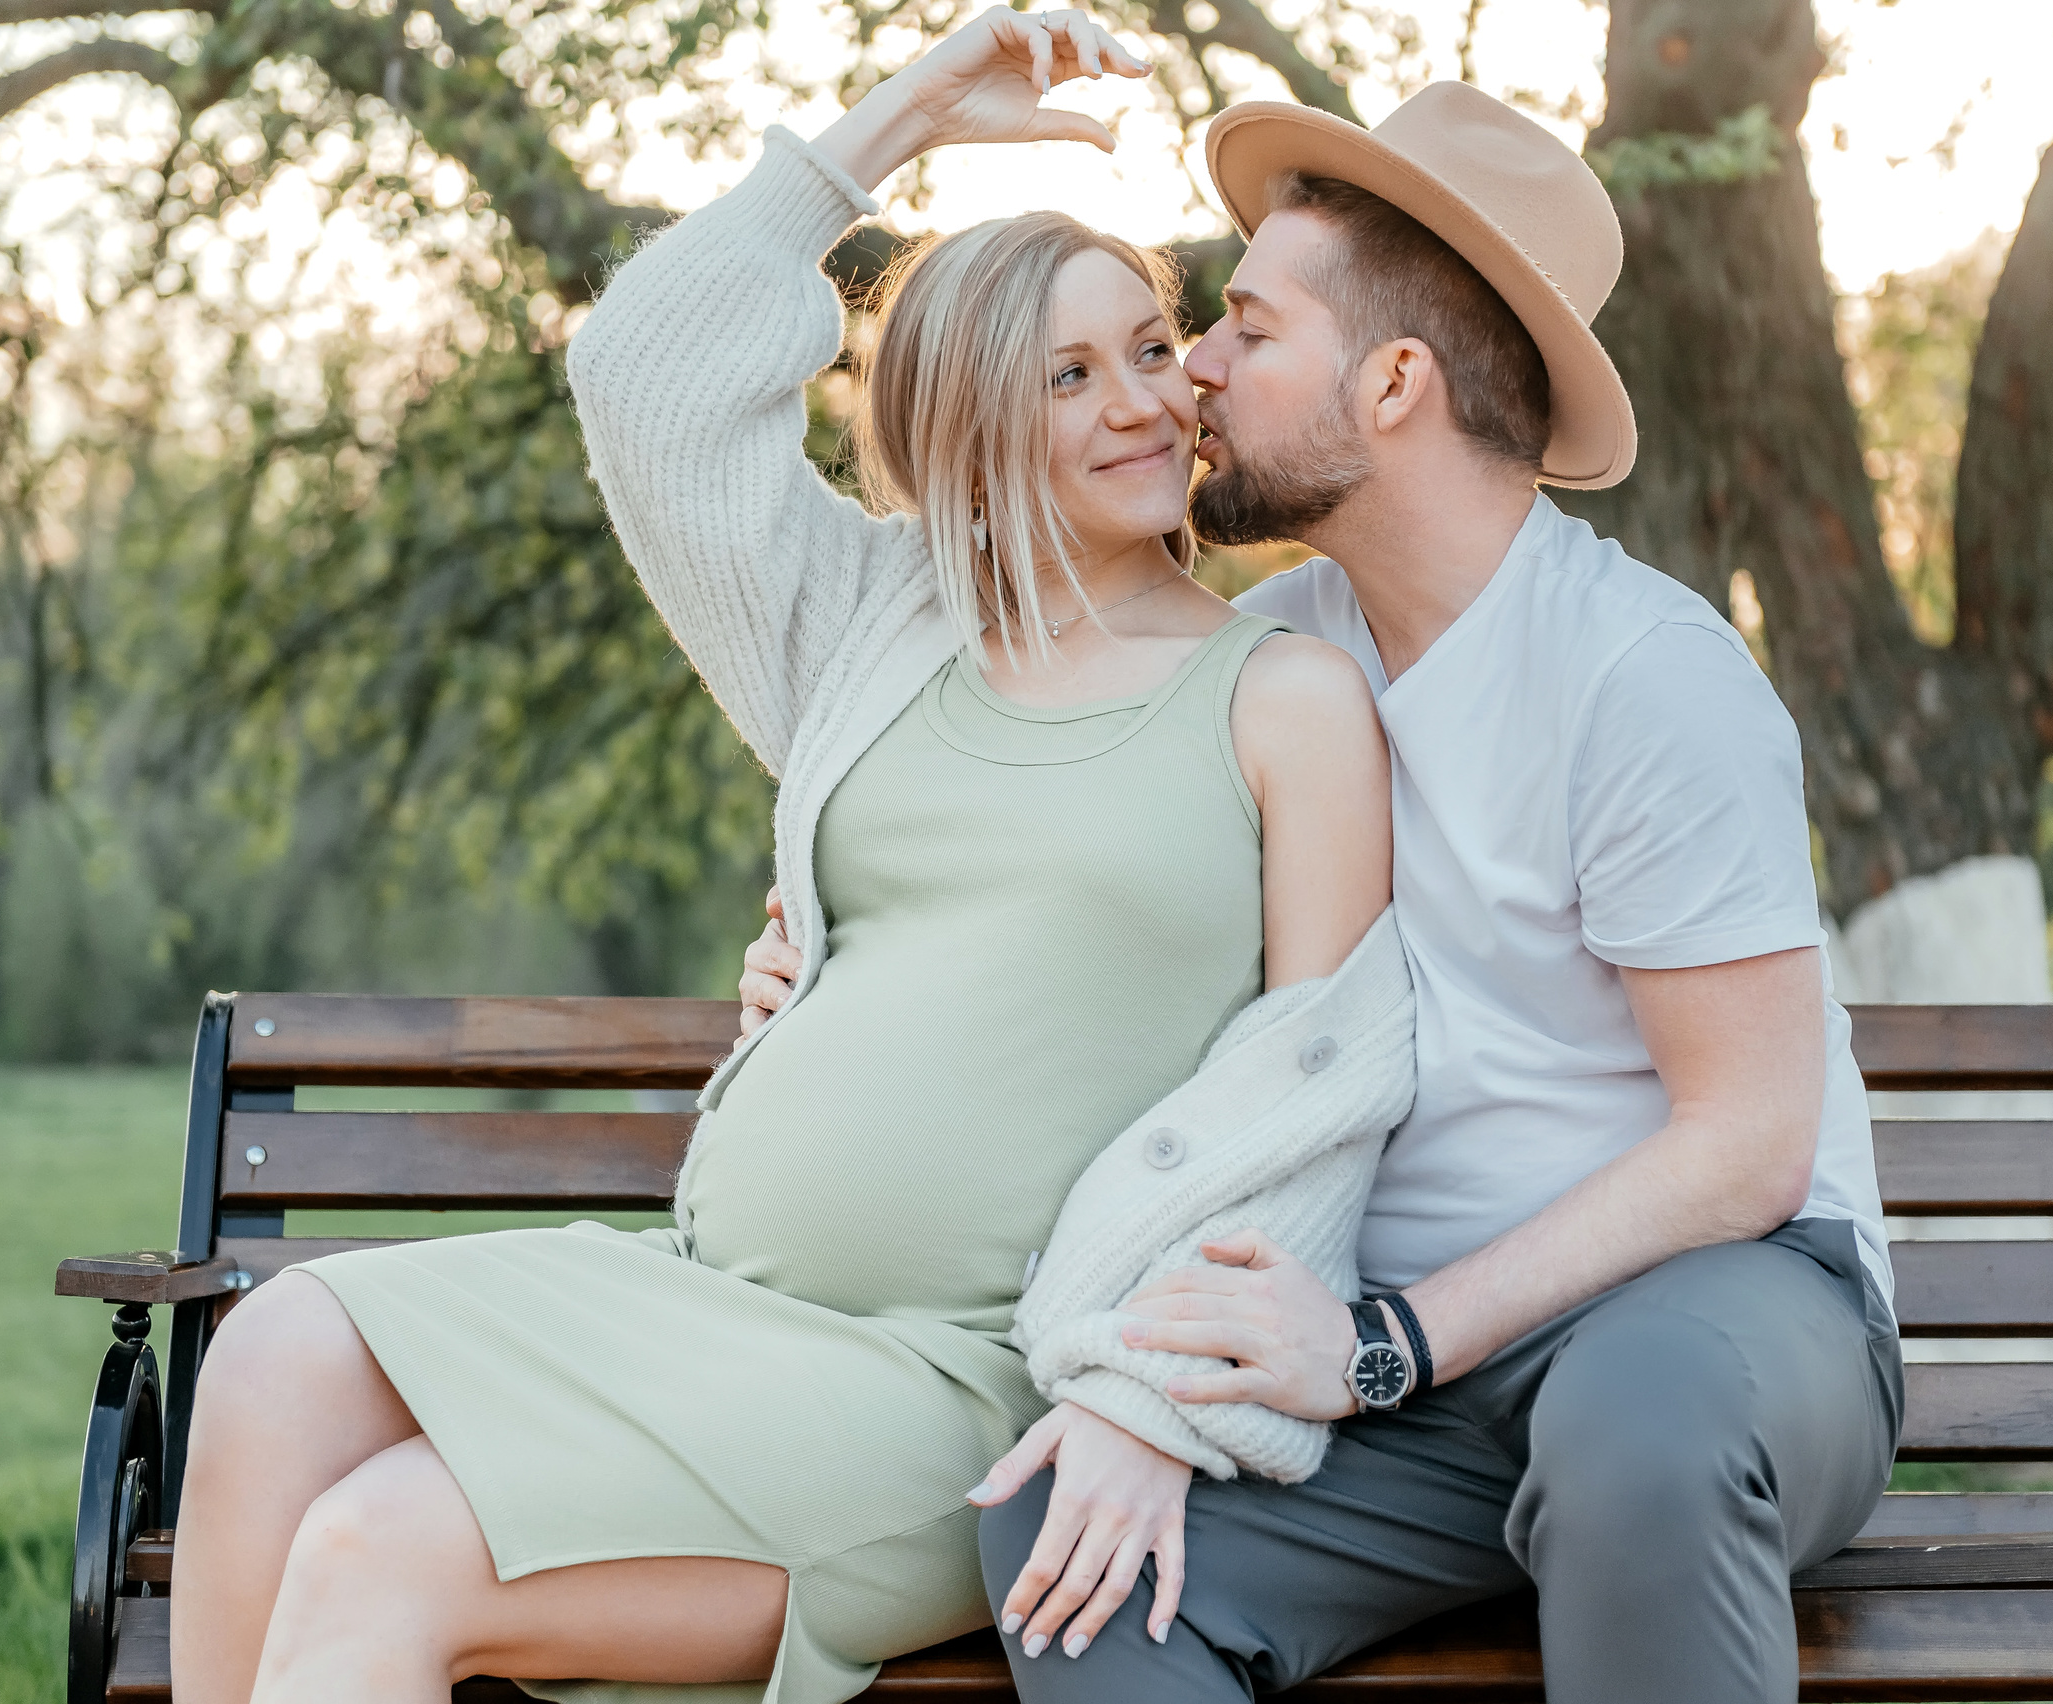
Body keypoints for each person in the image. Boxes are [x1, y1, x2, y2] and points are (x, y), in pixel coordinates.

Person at [161, 14, 1410, 1704]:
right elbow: (644, 378)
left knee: (383, 1549)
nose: (1141, 401)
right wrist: (894, 126)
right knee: (271, 1361)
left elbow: (1314, 1091)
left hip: (969, 1380)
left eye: (1150, 344)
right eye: (1067, 374)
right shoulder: (877, 625)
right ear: (970, 419)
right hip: (710, 1302)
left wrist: (1155, 1401)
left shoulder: (1283, 691)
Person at [737, 79, 1901, 1704]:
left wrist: (1392, 1341)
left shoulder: (1644, 679)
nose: (1190, 367)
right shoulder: (1278, 661)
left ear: (1396, 380)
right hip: (1378, 1369)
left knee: (1632, 1433)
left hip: (1708, 1330)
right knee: (1070, 1550)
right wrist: (837, 961)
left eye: (1246, 329)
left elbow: (1748, 1148)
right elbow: (1090, 941)